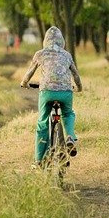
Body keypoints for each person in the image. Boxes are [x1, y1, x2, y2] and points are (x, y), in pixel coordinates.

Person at [20, 26, 83, 167]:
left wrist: (24, 83)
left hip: (47, 92)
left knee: (42, 122)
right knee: (68, 114)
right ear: (62, 41)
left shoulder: (40, 54)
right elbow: (76, 75)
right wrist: (79, 88)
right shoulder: (67, 55)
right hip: (66, 92)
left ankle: (38, 161)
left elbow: (29, 73)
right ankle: (70, 137)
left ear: (45, 41)